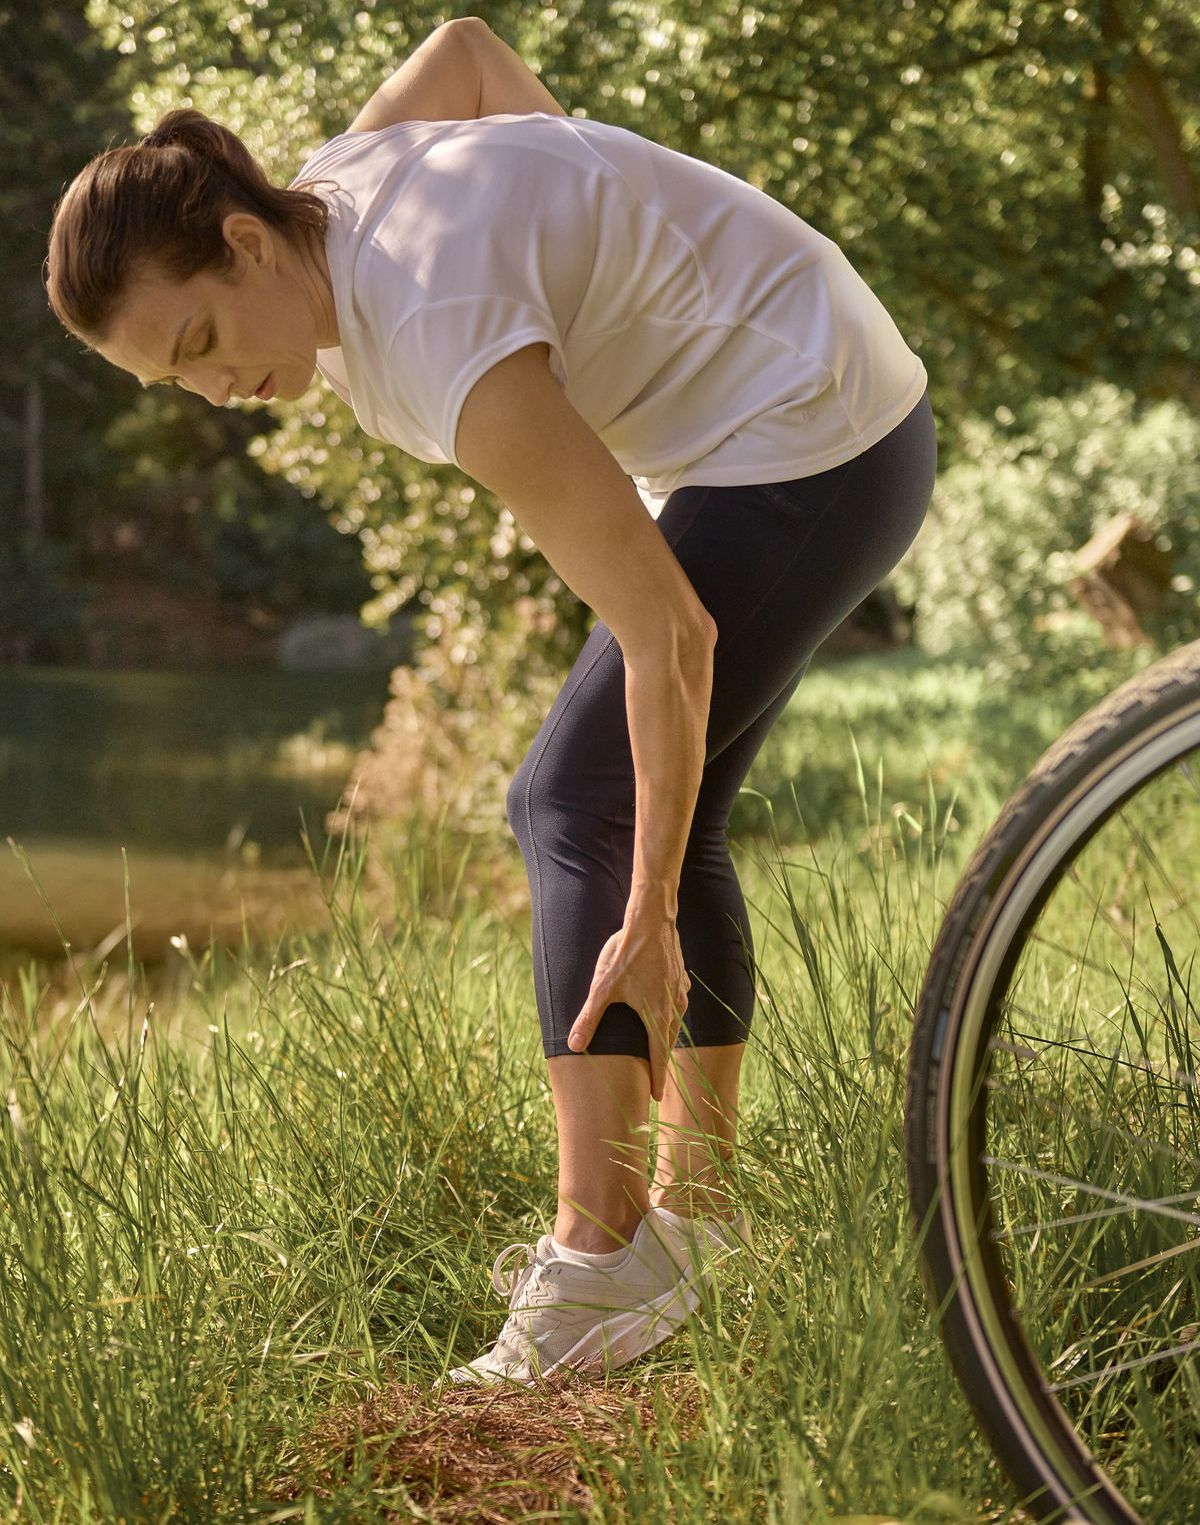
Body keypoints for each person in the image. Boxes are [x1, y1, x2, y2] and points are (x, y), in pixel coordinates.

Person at [43, 18, 937, 1389]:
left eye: (207, 341)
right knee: (645, 804)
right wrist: (598, 216)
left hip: (812, 430)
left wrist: (642, 924)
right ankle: (696, 1221)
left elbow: (669, 628)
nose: (223, 394)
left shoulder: (441, 334)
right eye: (182, 382)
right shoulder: (341, 183)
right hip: (808, 389)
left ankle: (598, 1250)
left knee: (572, 796)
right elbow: (464, 49)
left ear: (245, 239)